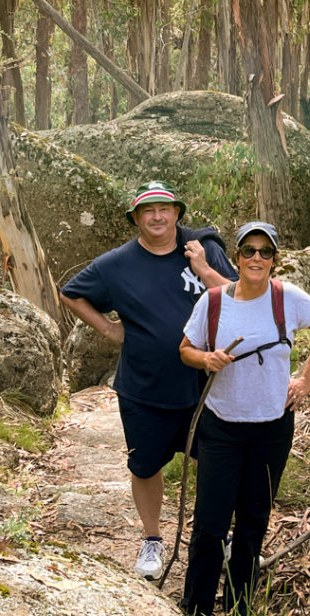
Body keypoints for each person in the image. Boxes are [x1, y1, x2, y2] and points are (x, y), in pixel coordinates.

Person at [60, 180, 237, 581]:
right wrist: (108, 329)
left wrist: (204, 269)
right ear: (137, 219)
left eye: (165, 209)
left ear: (177, 213)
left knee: (217, 465)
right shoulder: (116, 264)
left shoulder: (202, 248)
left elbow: (240, 294)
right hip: (144, 386)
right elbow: (71, 292)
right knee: (145, 466)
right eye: (148, 211)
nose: (157, 217)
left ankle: (221, 537)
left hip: (207, 386)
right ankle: (152, 539)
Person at [178, 221, 310, 616]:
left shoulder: (289, 299)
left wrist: (306, 378)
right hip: (221, 426)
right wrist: (206, 358)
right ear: (236, 257)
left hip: (271, 428)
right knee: (211, 525)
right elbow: (185, 349)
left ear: (275, 260)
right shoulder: (213, 303)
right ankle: (193, 614)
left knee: (251, 525)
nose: (257, 259)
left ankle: (238, 615)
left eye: (266, 252)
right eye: (249, 250)